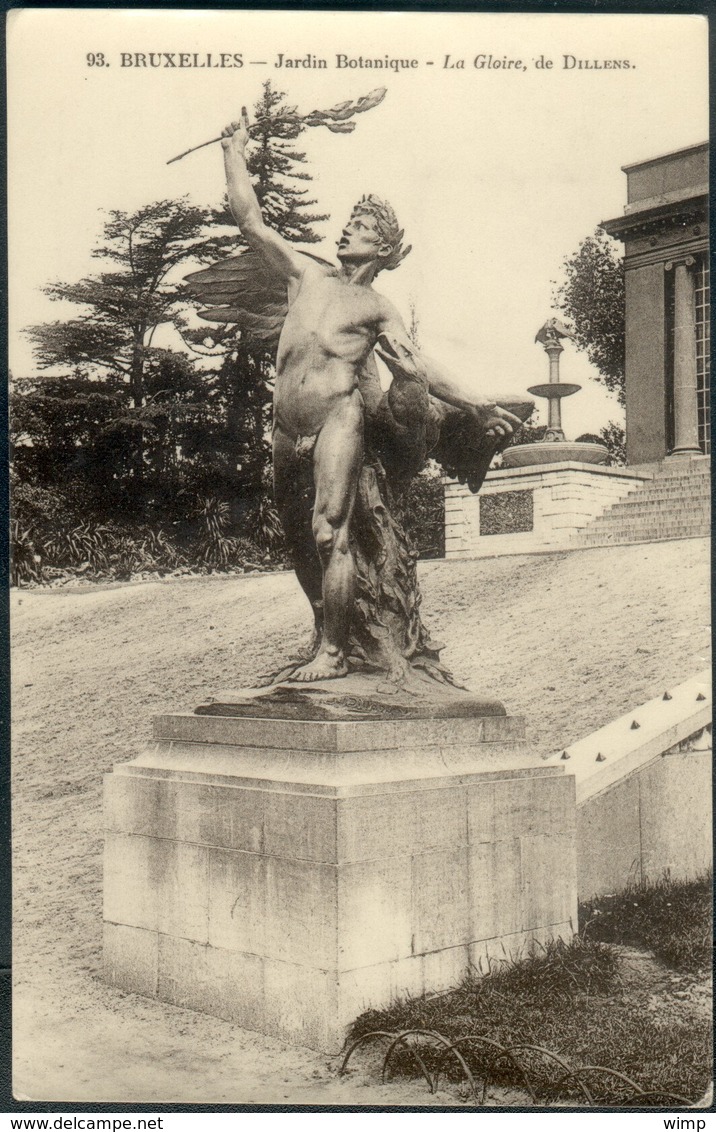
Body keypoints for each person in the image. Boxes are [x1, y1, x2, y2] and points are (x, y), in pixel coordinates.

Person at [221, 110, 521, 681]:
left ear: (381, 246)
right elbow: (252, 222)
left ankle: (335, 653)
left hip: (338, 421)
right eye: (349, 223)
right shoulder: (306, 276)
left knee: (326, 531)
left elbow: (419, 366)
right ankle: (325, 634)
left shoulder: (378, 308)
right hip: (285, 426)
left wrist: (477, 404)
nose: (345, 231)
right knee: (296, 540)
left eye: (359, 226)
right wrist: (234, 153)